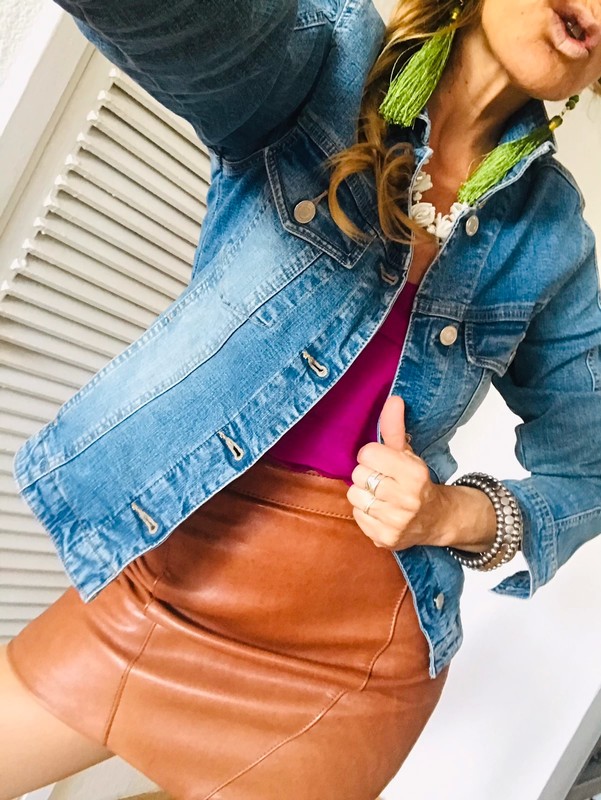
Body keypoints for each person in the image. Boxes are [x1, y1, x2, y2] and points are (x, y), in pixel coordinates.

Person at [2, 0, 601, 798]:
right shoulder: (324, 59)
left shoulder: (551, 235)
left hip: (349, 663)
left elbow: (588, 470)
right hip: (167, 573)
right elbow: (175, 20)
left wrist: (449, 517)